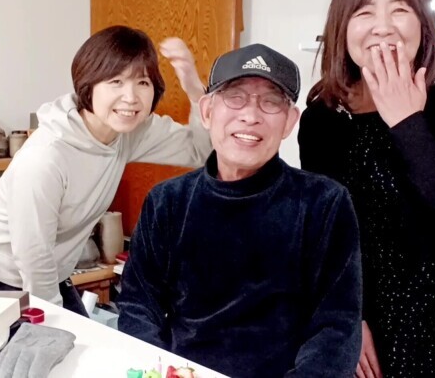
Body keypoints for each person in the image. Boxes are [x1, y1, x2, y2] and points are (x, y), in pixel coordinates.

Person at [298, 0, 435, 377]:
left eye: (400, 9)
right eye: (364, 12)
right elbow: (328, 231)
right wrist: (348, 314)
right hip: (372, 307)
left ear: (423, 27)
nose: (383, 26)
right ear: (342, 27)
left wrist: (407, 121)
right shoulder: (323, 117)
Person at [117, 43, 362, 377]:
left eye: (271, 101)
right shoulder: (167, 201)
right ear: (207, 111)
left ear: (289, 122)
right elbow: (138, 306)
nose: (250, 115)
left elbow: (336, 328)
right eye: (235, 97)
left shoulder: (324, 203)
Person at [0, 25, 212, 315]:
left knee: (84, 338)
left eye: (142, 82)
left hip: (42, 269)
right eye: (116, 81)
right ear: (88, 84)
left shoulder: (130, 132)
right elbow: (32, 253)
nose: (131, 97)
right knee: (51, 340)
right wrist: (51, 319)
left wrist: (194, 88)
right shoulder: (47, 156)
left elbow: (202, 151)